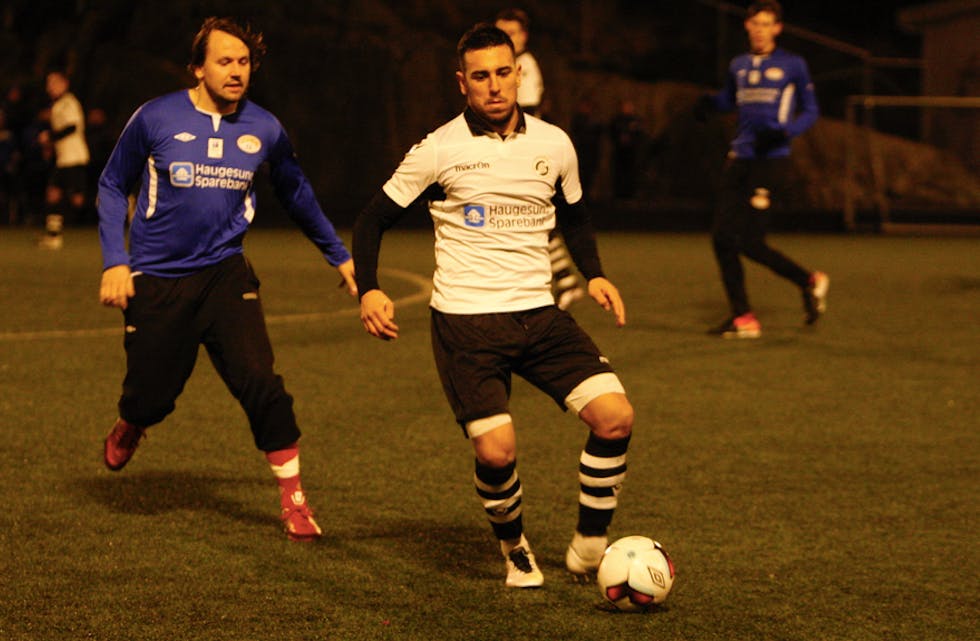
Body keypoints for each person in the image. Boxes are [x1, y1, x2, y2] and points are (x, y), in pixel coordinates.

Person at [353, 23, 635, 589]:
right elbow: (371, 220)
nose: (495, 85)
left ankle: (589, 544)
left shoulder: (554, 144)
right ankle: (515, 548)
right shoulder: (439, 148)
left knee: (615, 417)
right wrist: (369, 289)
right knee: (497, 452)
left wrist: (596, 274)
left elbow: (575, 217)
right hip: (466, 322)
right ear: (463, 83)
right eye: (480, 76)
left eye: (503, 72)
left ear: (518, 73)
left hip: (540, 314)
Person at [97, 17, 357, 542]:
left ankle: (294, 501)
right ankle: (133, 421)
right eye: (224, 61)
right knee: (152, 396)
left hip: (225, 273)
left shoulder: (265, 128)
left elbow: (296, 194)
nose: (237, 71)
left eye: (244, 62)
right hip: (157, 277)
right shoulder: (155, 117)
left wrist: (340, 256)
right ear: (198, 68)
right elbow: (110, 184)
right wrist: (114, 261)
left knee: (261, 381)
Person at [697, 0, 828, 338]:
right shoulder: (739, 64)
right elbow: (730, 100)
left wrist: (785, 132)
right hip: (739, 157)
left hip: (770, 160)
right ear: (747, 26)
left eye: (766, 24)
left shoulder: (793, 65)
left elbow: (811, 111)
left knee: (750, 241)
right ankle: (743, 317)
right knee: (721, 238)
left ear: (777, 29)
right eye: (755, 24)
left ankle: (808, 280)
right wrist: (709, 104)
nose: (760, 30)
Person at [495, 7, 585, 309]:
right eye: (500, 32)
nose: (505, 38)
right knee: (526, 220)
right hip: (513, 153)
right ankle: (563, 281)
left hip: (522, 154)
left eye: (511, 33)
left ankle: (556, 282)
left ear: (523, 37)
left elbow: (527, 113)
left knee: (527, 219)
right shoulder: (505, 67)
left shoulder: (524, 66)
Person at [39, 70, 89, 248]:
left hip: (74, 157)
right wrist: (50, 146)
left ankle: (120, 213)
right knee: (54, 194)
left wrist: (50, 137)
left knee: (78, 200)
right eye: (48, 83)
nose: (49, 87)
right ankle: (53, 237)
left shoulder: (69, 102)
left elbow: (72, 127)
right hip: (64, 158)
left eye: (53, 83)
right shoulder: (58, 104)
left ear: (64, 84)